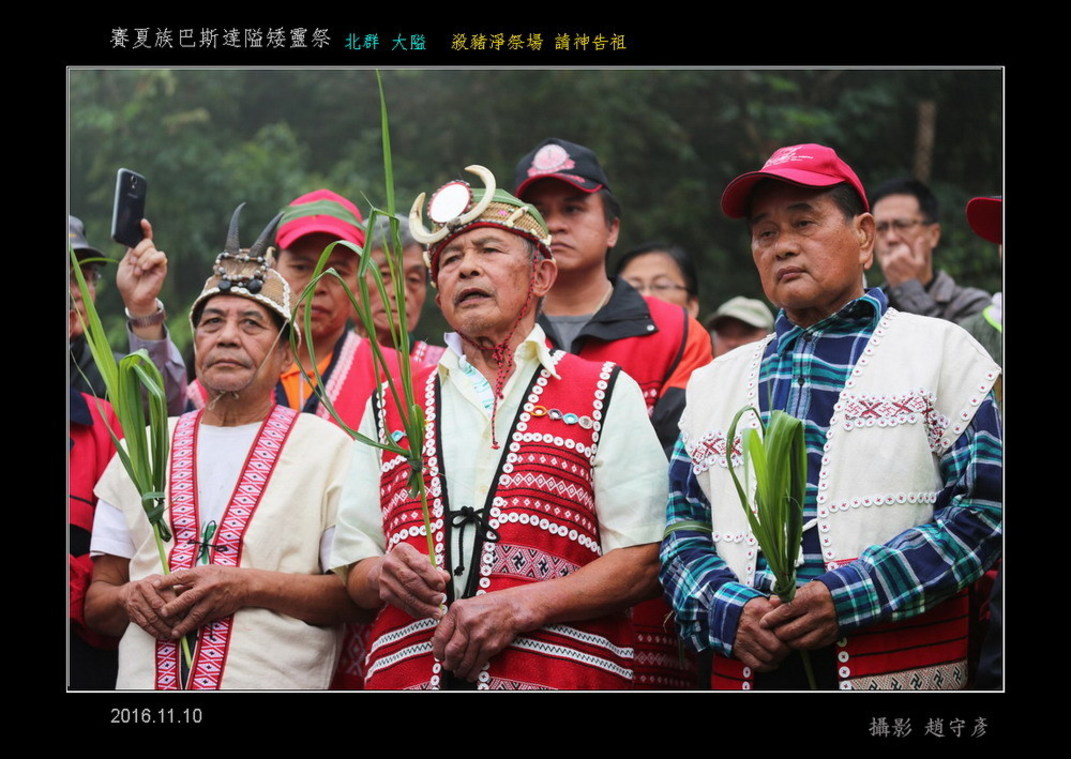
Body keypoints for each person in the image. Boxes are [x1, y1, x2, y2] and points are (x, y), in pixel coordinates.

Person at [661, 144, 1002, 690]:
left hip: (896, 669)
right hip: (751, 669)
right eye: (765, 232)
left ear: (864, 236)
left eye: (804, 223)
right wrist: (730, 612)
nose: (784, 246)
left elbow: (983, 511)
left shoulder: (944, 353)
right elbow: (681, 528)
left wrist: (843, 598)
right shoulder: (712, 384)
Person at [332, 167, 667, 690]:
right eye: (449, 261)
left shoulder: (603, 390)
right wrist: (381, 573)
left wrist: (521, 605)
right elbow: (353, 562)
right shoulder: (391, 401)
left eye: (489, 250)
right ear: (438, 291)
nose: (467, 269)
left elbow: (643, 558)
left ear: (541, 277)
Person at [85, 206, 362, 689]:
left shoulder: (330, 450)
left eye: (252, 325)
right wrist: (131, 597)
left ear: (284, 353)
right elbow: (98, 601)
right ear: (196, 341)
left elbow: (351, 597)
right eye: (212, 322)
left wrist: (247, 585)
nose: (227, 337)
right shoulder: (142, 448)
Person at [515, 137, 711, 688]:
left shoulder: (674, 330)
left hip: (643, 615)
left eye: (574, 209)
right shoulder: (491, 336)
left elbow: (678, 474)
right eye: (539, 214)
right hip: (514, 613)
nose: (555, 225)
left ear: (613, 228)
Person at [187, 189, 401, 432]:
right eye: (301, 267)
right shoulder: (224, 372)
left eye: (337, 273)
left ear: (361, 280)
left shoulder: (396, 378)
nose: (317, 286)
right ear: (274, 268)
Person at [69, 215, 188, 415]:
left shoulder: (113, 374)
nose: (78, 291)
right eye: (69, 276)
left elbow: (164, 411)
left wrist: (142, 308)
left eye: (86, 277)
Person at [869, 177, 990, 322]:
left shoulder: (973, 304)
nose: (890, 238)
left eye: (902, 224)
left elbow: (948, 343)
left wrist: (907, 286)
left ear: (933, 234)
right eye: (881, 228)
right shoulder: (868, 307)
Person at [363, 213, 445, 366]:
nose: (400, 294)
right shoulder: (317, 360)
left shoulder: (444, 369)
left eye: (414, 279)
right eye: (384, 274)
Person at [615, 242, 700, 318]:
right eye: (633, 288)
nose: (646, 295)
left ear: (691, 306)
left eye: (661, 286)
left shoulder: (702, 335)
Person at [705, 296, 774, 358]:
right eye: (724, 334)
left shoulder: (780, 370)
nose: (732, 342)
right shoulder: (700, 371)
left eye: (745, 334)